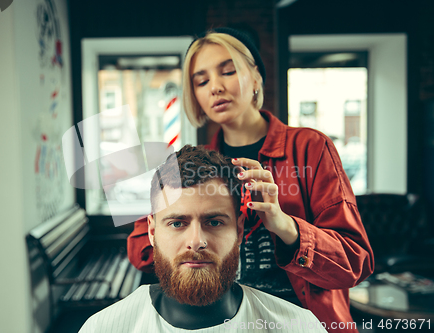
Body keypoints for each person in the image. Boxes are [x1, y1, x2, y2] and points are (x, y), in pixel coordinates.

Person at [127, 27, 374, 332]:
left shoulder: (310, 148)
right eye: (201, 81)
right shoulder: (196, 165)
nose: (215, 87)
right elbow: (141, 248)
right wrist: (173, 219)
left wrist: (285, 226)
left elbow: (355, 264)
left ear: (256, 76)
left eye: (228, 72)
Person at [79, 145, 327, 333]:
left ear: (239, 231)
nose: (196, 241)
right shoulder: (103, 328)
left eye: (214, 222)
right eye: (177, 223)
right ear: (152, 232)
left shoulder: (300, 327)